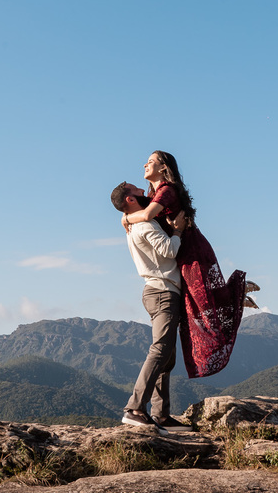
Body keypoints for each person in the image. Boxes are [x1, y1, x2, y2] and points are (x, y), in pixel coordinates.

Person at [118, 151, 257, 380]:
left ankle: (236, 292)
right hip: (182, 252)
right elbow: (144, 214)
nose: (144, 164)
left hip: (192, 250)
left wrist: (124, 219)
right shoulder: (153, 194)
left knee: (199, 300)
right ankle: (235, 295)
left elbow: (147, 216)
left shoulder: (167, 190)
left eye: (151, 161)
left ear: (163, 167)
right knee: (194, 301)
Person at [110, 182, 192, 433]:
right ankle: (135, 409)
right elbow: (168, 250)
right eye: (138, 191)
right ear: (130, 200)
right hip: (163, 292)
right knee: (160, 351)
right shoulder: (145, 225)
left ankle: (161, 415)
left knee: (167, 357)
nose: (145, 193)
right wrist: (177, 231)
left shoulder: (134, 224)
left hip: (158, 292)